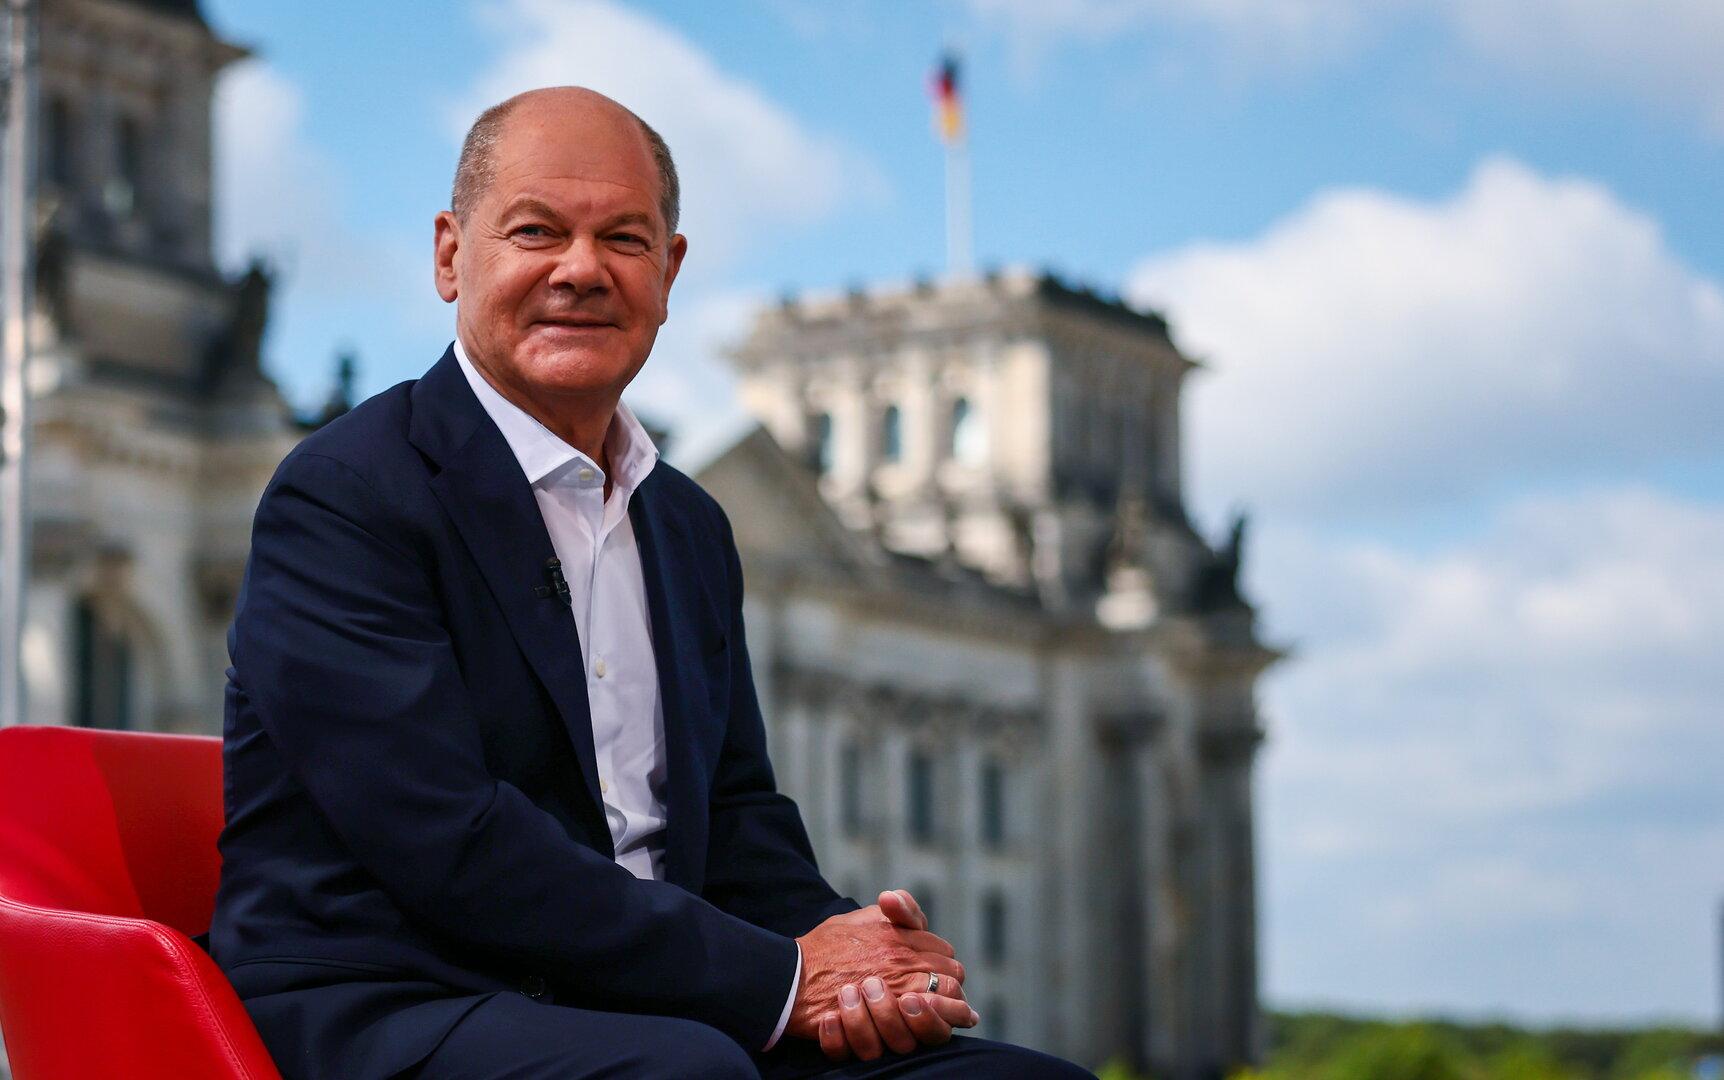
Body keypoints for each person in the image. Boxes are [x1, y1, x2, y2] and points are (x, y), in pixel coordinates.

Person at [210, 86, 1093, 1080]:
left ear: (667, 272)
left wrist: (854, 964)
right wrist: (775, 978)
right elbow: (445, 840)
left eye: (623, 239)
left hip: (654, 1006)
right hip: (393, 999)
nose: (581, 270)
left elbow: (736, 816)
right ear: (451, 255)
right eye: (536, 230)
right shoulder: (344, 494)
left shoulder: (687, 523)